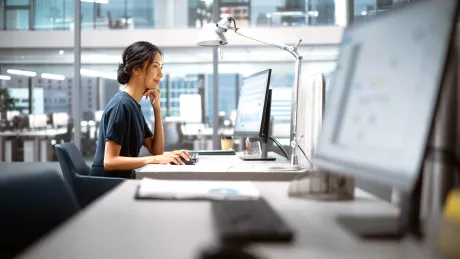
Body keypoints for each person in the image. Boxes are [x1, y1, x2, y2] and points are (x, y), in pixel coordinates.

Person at [91, 41, 191, 179]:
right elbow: (109, 161)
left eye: (161, 67)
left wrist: (157, 109)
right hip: (107, 186)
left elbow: (156, 150)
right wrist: (154, 160)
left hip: (123, 181)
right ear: (136, 69)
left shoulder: (133, 105)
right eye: (155, 66)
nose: (161, 74)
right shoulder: (121, 105)